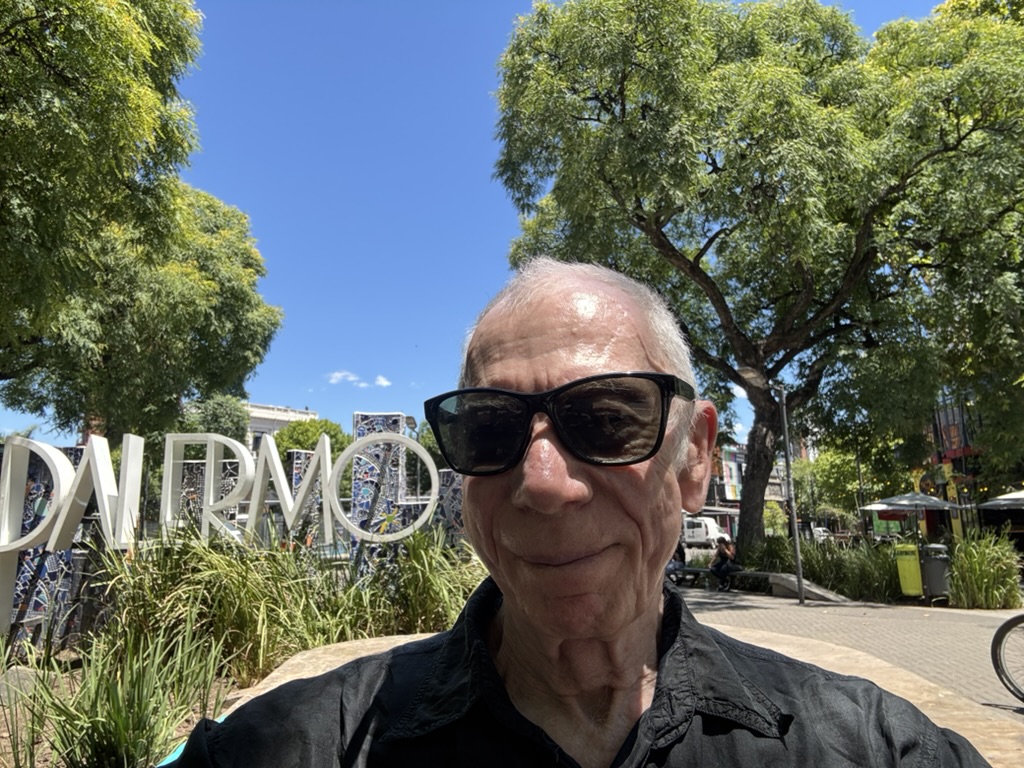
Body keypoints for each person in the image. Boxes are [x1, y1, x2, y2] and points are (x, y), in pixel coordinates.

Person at [167, 258, 990, 767]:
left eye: (606, 418)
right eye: (487, 427)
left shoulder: (873, 749)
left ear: (696, 459)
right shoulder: (295, 746)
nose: (545, 483)